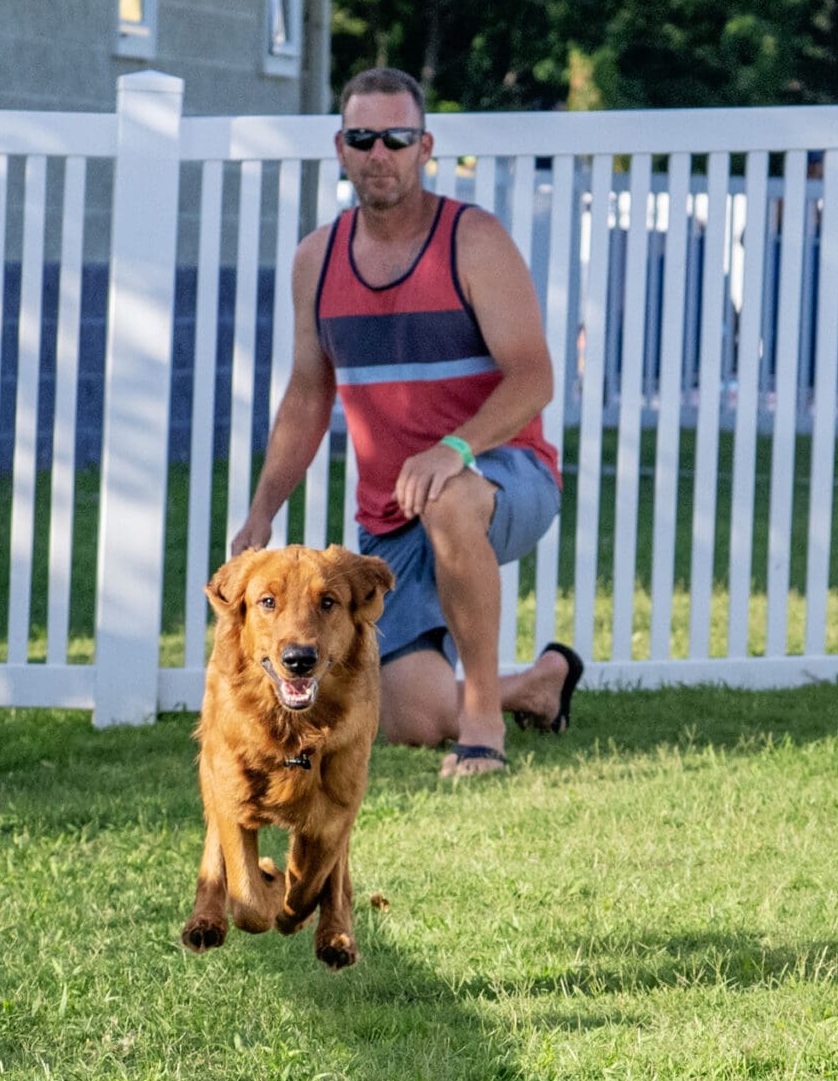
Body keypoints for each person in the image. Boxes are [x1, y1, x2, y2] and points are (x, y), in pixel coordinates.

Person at [228, 67, 580, 779]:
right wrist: (262, 512)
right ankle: (540, 685)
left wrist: (454, 449)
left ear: (425, 147)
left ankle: (483, 731)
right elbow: (307, 395)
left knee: (450, 497)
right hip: (393, 516)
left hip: (504, 476)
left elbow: (534, 376)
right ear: (341, 148)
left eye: (397, 137)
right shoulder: (317, 259)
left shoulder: (472, 240)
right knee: (412, 718)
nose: (379, 153)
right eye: (363, 138)